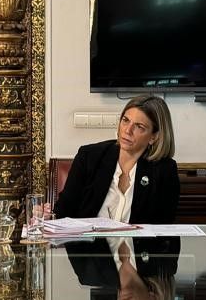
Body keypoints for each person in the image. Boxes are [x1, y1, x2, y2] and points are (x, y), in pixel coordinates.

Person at [53, 94, 180, 224]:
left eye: (139, 126)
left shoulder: (164, 170)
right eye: (125, 120)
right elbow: (63, 212)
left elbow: (163, 231)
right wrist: (46, 215)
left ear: (154, 137)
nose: (127, 130)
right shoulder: (89, 157)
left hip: (135, 245)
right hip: (88, 243)